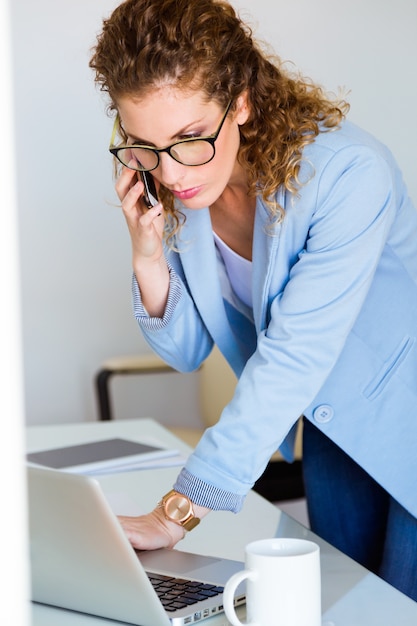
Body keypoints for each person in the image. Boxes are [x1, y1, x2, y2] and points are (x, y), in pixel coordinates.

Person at [89, 0, 417, 601]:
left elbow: (293, 355)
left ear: (240, 99)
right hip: (329, 432)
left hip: (406, 418)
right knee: (351, 606)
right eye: (145, 145)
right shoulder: (189, 191)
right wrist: (145, 251)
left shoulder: (348, 175)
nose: (171, 170)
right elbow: (186, 350)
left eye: (190, 137)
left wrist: (177, 511)